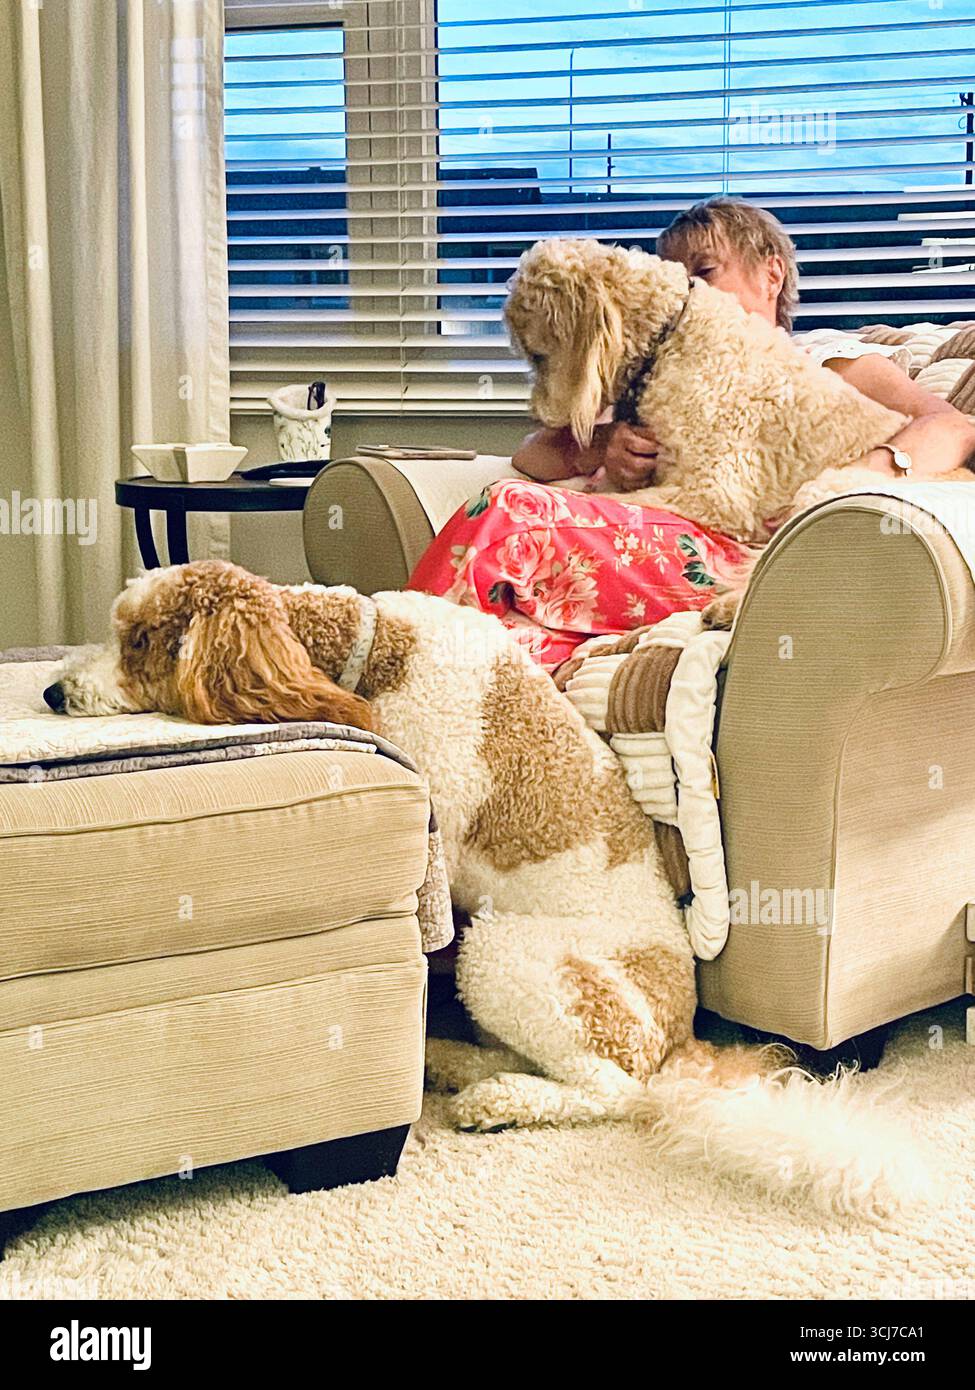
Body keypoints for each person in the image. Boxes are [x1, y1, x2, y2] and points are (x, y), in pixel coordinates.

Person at [408, 197, 975, 669]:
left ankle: (396, 655)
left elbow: (953, 425)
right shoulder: (661, 370)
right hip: (673, 534)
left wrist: (866, 473)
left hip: (760, 545)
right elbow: (536, 456)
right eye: (677, 277)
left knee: (508, 515)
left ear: (771, 272)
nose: (689, 289)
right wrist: (607, 446)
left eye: (704, 271)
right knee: (504, 618)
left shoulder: (832, 361)